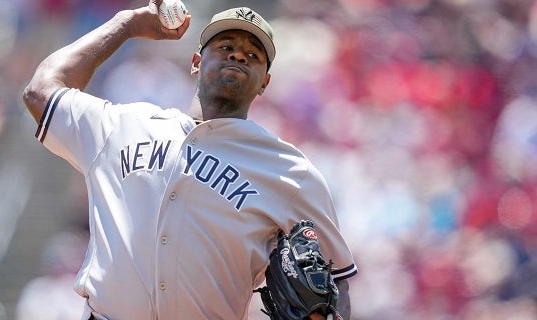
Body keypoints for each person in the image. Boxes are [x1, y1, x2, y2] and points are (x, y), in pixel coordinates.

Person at [22, 1, 357, 319]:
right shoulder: (122, 125)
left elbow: (336, 279)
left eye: (253, 55)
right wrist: (126, 24)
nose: (238, 54)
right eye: (225, 46)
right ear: (196, 62)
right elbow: (42, 91)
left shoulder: (290, 172)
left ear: (264, 83)